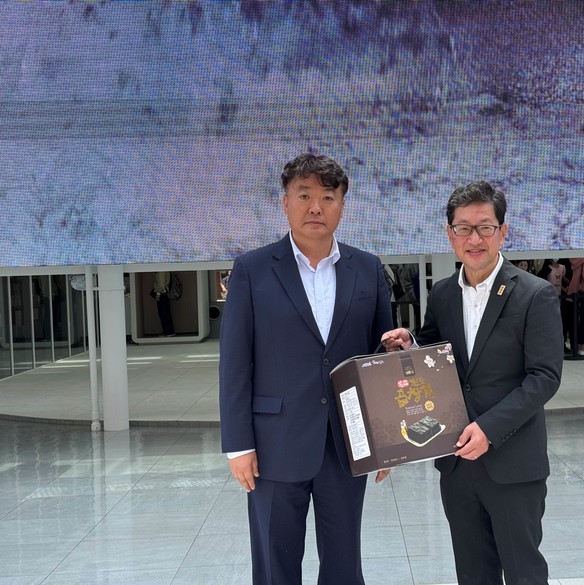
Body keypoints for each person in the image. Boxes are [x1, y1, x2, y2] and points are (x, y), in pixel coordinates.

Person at [218, 154, 393, 585]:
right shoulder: (252, 270)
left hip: (346, 443)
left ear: (342, 206)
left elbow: (379, 358)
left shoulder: (367, 268)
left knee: (344, 565)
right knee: (275, 565)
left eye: (328, 197)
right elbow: (235, 363)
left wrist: (385, 440)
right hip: (273, 444)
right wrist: (238, 445)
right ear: (285, 203)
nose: (316, 207)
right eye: (304, 196)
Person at [381, 181, 563, 585]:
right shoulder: (443, 294)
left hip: (512, 462)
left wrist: (489, 429)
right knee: (473, 573)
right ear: (450, 235)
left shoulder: (535, 294)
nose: (474, 239)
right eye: (463, 228)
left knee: (524, 573)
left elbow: (545, 377)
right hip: (457, 463)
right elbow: (436, 352)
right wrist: (411, 345)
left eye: (485, 227)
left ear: (503, 231)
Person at [152, 272, 175, 337]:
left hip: (162, 294)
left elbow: (161, 284)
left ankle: (167, 331)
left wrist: (158, 294)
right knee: (166, 313)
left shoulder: (161, 272)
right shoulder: (165, 271)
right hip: (165, 294)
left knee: (163, 314)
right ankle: (169, 331)